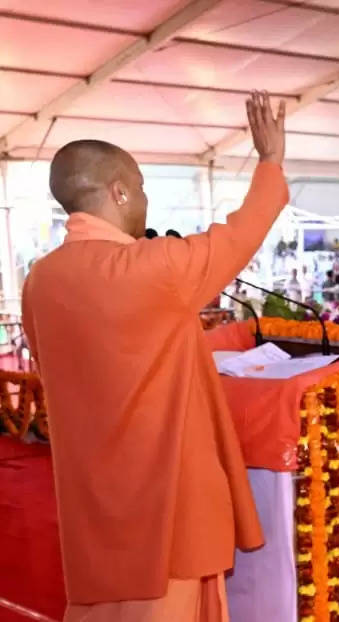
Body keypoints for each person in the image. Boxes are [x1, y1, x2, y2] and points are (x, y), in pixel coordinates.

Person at [21, 92, 287, 622]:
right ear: (118, 192)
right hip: (167, 503)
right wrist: (269, 161)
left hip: (92, 503)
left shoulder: (39, 282)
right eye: (140, 188)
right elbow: (237, 236)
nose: (144, 200)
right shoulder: (152, 267)